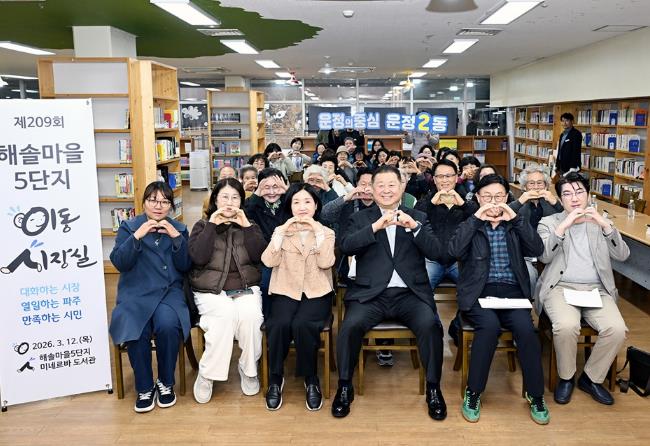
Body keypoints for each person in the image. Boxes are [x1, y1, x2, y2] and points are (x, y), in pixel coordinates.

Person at [332, 165, 447, 421]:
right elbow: (346, 245)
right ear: (372, 189)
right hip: (371, 295)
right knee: (349, 327)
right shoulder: (361, 218)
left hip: (409, 294)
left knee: (430, 325)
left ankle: (434, 389)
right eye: (380, 185)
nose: (386, 190)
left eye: (391, 185)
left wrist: (415, 227)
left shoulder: (418, 216)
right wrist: (374, 227)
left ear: (402, 187)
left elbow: (437, 252)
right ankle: (344, 387)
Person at [448, 174, 549, 425]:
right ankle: (473, 392)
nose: (493, 202)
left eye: (499, 196)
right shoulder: (470, 222)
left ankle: (535, 395)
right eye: (487, 197)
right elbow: (453, 251)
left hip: (512, 291)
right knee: (489, 327)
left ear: (507, 197)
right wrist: (475, 219)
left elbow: (537, 250)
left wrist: (515, 219)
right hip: (479, 292)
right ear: (478, 198)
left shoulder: (515, 222)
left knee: (526, 330)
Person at [536, 173, 629, 406]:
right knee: (566, 326)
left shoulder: (601, 222)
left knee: (617, 329)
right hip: (560, 287)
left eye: (579, 192)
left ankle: (591, 378)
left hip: (597, 289)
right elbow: (544, 256)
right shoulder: (549, 222)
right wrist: (563, 226)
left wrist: (605, 226)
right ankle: (566, 378)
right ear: (560, 199)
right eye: (567, 194)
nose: (574, 198)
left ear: (588, 195)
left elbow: (622, 255)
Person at [109, 181, 191, 413]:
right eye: (153, 200)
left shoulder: (179, 228)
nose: (158, 206)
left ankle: (165, 382)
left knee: (167, 325)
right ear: (143, 203)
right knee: (136, 327)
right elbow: (120, 263)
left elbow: (186, 265)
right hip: (135, 293)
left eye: (164, 202)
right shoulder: (129, 227)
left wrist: (176, 238)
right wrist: (136, 236)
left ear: (171, 206)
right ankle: (144, 387)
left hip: (168, 293)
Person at [189, 178, 266, 404]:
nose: (230, 202)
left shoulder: (251, 225)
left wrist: (247, 227)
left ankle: (248, 369)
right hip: (210, 289)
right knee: (224, 316)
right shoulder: (202, 226)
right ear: (215, 200)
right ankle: (207, 374)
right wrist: (212, 225)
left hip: (245, 287)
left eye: (235, 197)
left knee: (251, 317)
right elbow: (198, 258)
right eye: (224, 197)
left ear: (242, 201)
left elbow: (260, 257)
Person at [262, 183, 336, 411]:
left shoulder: (326, 232)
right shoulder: (281, 231)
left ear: (316, 205)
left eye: (307, 202)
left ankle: (311, 378)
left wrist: (317, 231)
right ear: (290, 206)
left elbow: (326, 262)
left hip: (316, 290)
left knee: (303, 324)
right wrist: (281, 232)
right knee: (279, 323)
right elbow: (268, 261)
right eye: (296, 202)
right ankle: (276, 378)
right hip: (286, 288)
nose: (302, 207)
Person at [510, 165, 564, 301]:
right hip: (526, 255)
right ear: (524, 187)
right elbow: (504, 215)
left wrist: (555, 202)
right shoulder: (519, 204)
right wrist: (520, 201)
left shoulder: (553, 203)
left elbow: (568, 218)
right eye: (531, 183)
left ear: (546, 186)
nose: (536, 187)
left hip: (551, 253)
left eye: (540, 183)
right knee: (530, 276)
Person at [244, 168, 290, 315]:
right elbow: (243, 216)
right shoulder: (253, 204)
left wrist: (288, 192)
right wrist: (257, 194)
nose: (271, 192)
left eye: (275, 187)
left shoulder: (290, 202)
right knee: (265, 283)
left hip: (290, 255)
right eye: (266, 187)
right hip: (264, 257)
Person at [553, 113, 582, 177]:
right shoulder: (562, 134)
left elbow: (576, 151)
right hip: (561, 166)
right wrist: (557, 165)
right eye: (563, 121)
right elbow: (560, 151)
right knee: (560, 182)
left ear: (572, 121)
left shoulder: (576, 134)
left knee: (568, 183)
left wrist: (573, 167)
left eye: (567, 120)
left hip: (570, 167)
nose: (564, 123)